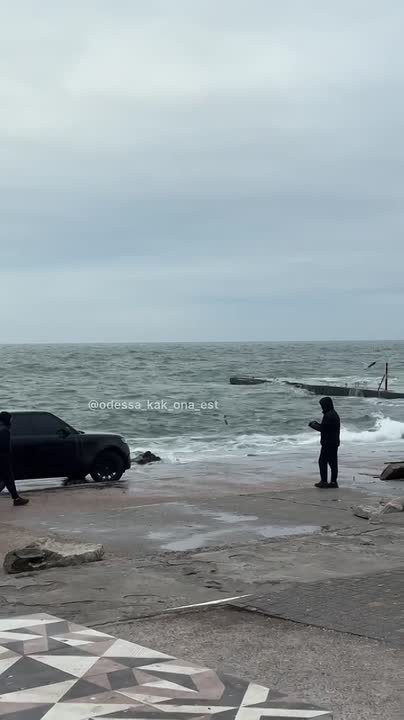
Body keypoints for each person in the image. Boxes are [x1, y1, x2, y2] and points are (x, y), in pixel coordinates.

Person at [309, 397, 340, 489]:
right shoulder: (334, 414)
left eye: (322, 405)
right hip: (334, 442)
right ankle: (333, 482)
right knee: (333, 462)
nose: (322, 407)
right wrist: (317, 424)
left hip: (328, 443)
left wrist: (313, 425)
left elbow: (323, 429)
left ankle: (324, 482)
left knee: (322, 461)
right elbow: (326, 427)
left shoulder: (328, 415)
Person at [0, 412, 29, 506]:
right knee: (8, 479)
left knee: (6, 480)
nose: (11, 421)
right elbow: (4, 447)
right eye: (10, 419)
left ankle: (16, 498)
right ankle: (16, 499)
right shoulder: (4, 430)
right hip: (3, 459)